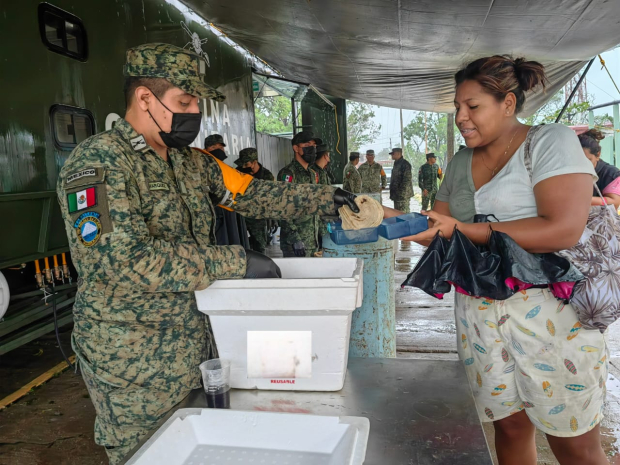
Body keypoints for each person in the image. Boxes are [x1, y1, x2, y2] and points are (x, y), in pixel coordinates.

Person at [56, 43, 360, 464]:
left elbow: (253, 195)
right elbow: (121, 262)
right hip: (133, 360)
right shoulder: (99, 163)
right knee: (147, 455)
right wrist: (235, 261)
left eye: (195, 102)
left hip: (199, 344)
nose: (193, 112)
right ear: (145, 98)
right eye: (184, 101)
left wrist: (327, 197)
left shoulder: (190, 162)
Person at [403, 55, 608, 465]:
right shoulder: (461, 161)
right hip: (479, 311)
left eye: (472, 106)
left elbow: (562, 229)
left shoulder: (548, 141)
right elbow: (440, 228)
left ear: (509, 104)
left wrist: (462, 230)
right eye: (457, 107)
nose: (461, 116)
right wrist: (385, 222)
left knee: (573, 440)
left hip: (550, 314)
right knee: (508, 425)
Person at [277, 131, 323, 257]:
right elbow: (283, 208)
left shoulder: (312, 174)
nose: (312, 149)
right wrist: (295, 238)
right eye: (307, 145)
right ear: (296, 148)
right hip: (295, 244)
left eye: (314, 146)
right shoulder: (288, 174)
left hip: (311, 241)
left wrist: (322, 232)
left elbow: (316, 205)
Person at [234, 147, 276, 254]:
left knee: (260, 247)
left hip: (257, 217)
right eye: (242, 164)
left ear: (254, 163)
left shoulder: (267, 176)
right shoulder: (238, 172)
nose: (243, 167)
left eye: (246, 164)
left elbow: (272, 197)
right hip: (240, 215)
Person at [578, 128, 620, 209]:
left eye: (588, 160)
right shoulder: (567, 171)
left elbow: (614, 203)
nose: (581, 165)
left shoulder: (610, 173)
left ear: (598, 155)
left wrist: (578, 200)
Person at [311, 144, 332, 245]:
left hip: (324, 221)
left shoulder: (323, 172)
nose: (329, 159)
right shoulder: (312, 172)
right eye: (328, 156)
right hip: (316, 222)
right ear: (325, 156)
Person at [389, 148, 413, 212]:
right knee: (397, 214)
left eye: (393, 154)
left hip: (403, 196)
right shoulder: (396, 163)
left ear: (398, 153)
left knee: (404, 215)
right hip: (397, 196)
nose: (392, 155)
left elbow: (407, 180)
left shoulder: (405, 164)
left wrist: (401, 193)